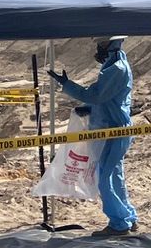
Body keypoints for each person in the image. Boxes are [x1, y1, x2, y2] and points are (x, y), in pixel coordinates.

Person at [50, 36, 137, 234]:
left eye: (101, 44)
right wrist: (88, 108)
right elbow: (107, 99)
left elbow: (97, 95)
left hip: (115, 131)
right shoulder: (113, 67)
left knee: (105, 179)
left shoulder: (116, 69)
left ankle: (119, 223)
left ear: (110, 44)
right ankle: (127, 217)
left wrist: (68, 85)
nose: (98, 49)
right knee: (114, 176)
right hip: (112, 130)